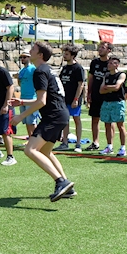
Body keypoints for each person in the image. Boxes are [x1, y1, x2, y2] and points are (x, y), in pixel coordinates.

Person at [10, 41, 76, 201]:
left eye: (33, 49)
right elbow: (47, 98)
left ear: (40, 55)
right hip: (60, 114)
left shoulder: (39, 72)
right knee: (45, 152)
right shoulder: (48, 70)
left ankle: (61, 181)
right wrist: (23, 102)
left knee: (30, 150)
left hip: (53, 116)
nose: (29, 51)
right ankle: (67, 188)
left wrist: (20, 117)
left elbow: (42, 101)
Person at [56, 44, 85, 152]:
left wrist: (76, 99)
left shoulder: (78, 68)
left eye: (67, 54)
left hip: (74, 99)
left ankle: (78, 144)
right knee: (65, 120)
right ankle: (65, 143)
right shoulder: (64, 68)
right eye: (64, 53)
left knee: (76, 119)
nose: (64, 55)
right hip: (64, 99)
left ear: (73, 55)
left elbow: (81, 84)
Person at [99, 56, 127, 156]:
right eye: (109, 63)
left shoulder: (121, 74)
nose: (109, 65)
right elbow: (101, 90)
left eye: (111, 63)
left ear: (116, 64)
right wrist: (109, 88)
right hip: (106, 102)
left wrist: (107, 87)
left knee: (120, 125)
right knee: (107, 124)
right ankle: (109, 146)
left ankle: (123, 148)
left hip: (118, 102)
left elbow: (117, 87)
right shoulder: (106, 75)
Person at [85, 41, 111, 151]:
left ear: (109, 50)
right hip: (95, 95)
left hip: (107, 96)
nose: (100, 49)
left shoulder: (111, 63)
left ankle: (110, 145)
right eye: (99, 47)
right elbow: (91, 78)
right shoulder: (94, 62)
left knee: (108, 121)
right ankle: (95, 142)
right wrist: (89, 93)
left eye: (103, 47)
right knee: (94, 119)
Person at [16, 48, 41, 138]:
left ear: (29, 58)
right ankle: (31, 139)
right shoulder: (22, 71)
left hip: (31, 98)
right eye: (21, 57)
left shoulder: (33, 69)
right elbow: (20, 83)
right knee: (27, 121)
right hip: (23, 98)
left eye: (25, 57)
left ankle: (36, 140)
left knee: (32, 121)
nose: (22, 59)